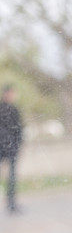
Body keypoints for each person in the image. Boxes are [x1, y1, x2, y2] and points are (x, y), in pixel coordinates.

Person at [0, 84, 22, 213]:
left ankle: (11, 204)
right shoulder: (2, 108)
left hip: (12, 148)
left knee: (12, 177)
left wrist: (17, 145)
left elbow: (19, 129)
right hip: (2, 148)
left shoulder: (15, 109)